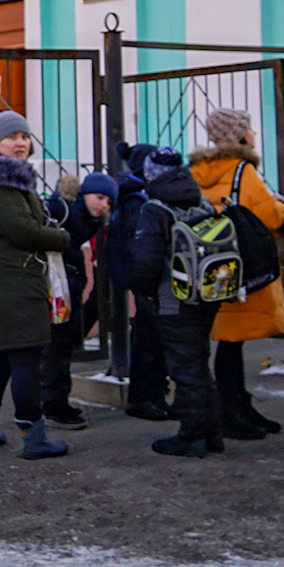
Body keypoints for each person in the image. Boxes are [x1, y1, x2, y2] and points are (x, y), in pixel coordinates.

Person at [0, 111, 73, 459]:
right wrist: (62, 238)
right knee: (26, 356)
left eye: (24, 136)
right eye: (12, 137)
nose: (21, 143)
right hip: (14, 278)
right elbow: (22, 231)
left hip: (6, 275)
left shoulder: (4, 177)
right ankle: (34, 438)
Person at [190, 107, 284, 441]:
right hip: (244, 266)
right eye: (249, 129)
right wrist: (283, 206)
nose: (254, 135)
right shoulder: (243, 171)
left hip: (215, 265)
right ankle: (231, 411)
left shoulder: (199, 170)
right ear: (239, 135)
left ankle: (239, 406)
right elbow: (269, 216)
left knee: (228, 341)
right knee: (232, 344)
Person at [130, 147, 226, 458]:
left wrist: (144, 292)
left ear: (151, 176)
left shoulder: (155, 209)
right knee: (199, 363)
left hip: (173, 300)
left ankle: (191, 436)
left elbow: (146, 260)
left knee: (185, 368)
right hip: (206, 295)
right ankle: (212, 433)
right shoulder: (201, 202)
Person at [40, 172, 116, 430]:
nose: (104, 205)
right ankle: (52, 405)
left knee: (61, 346)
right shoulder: (63, 210)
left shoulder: (87, 217)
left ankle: (53, 402)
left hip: (67, 285)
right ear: (84, 193)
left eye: (108, 201)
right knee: (56, 346)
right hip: (55, 286)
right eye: (100, 197)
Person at [102, 142, 171, 421]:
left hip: (143, 278)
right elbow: (140, 246)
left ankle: (153, 395)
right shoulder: (136, 202)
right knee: (148, 340)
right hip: (145, 279)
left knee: (151, 337)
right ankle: (144, 398)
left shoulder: (135, 197)